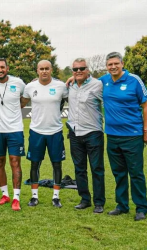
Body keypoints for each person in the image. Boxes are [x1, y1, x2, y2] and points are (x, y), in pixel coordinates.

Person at [100, 52, 147, 221]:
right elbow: (87, 83)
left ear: (122, 64)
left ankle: (141, 207)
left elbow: (145, 105)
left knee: (136, 173)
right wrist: (71, 79)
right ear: (107, 66)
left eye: (115, 64)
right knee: (119, 173)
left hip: (133, 136)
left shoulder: (134, 80)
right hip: (112, 136)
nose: (113, 67)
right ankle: (122, 205)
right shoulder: (104, 80)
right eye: (110, 64)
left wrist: (146, 131)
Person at [22, 60, 68, 208]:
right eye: (41, 69)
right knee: (35, 164)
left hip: (55, 131)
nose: (44, 71)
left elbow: (71, 100)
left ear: (51, 70)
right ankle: (34, 197)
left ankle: (56, 197)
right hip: (36, 132)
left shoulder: (60, 86)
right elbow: (20, 104)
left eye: (47, 68)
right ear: (37, 70)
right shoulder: (30, 87)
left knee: (57, 164)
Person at [0, 58, 26, 211]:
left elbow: (27, 95)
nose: (0, 70)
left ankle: (16, 197)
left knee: (15, 161)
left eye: (2, 67)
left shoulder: (18, 83)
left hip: (15, 129)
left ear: (7, 68)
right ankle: (5, 195)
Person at [67, 58, 105, 214]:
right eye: (75, 69)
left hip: (93, 133)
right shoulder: (70, 86)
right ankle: (84, 199)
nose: (78, 71)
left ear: (88, 70)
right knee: (79, 169)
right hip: (75, 133)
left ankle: (99, 202)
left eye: (82, 68)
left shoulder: (98, 85)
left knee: (97, 168)